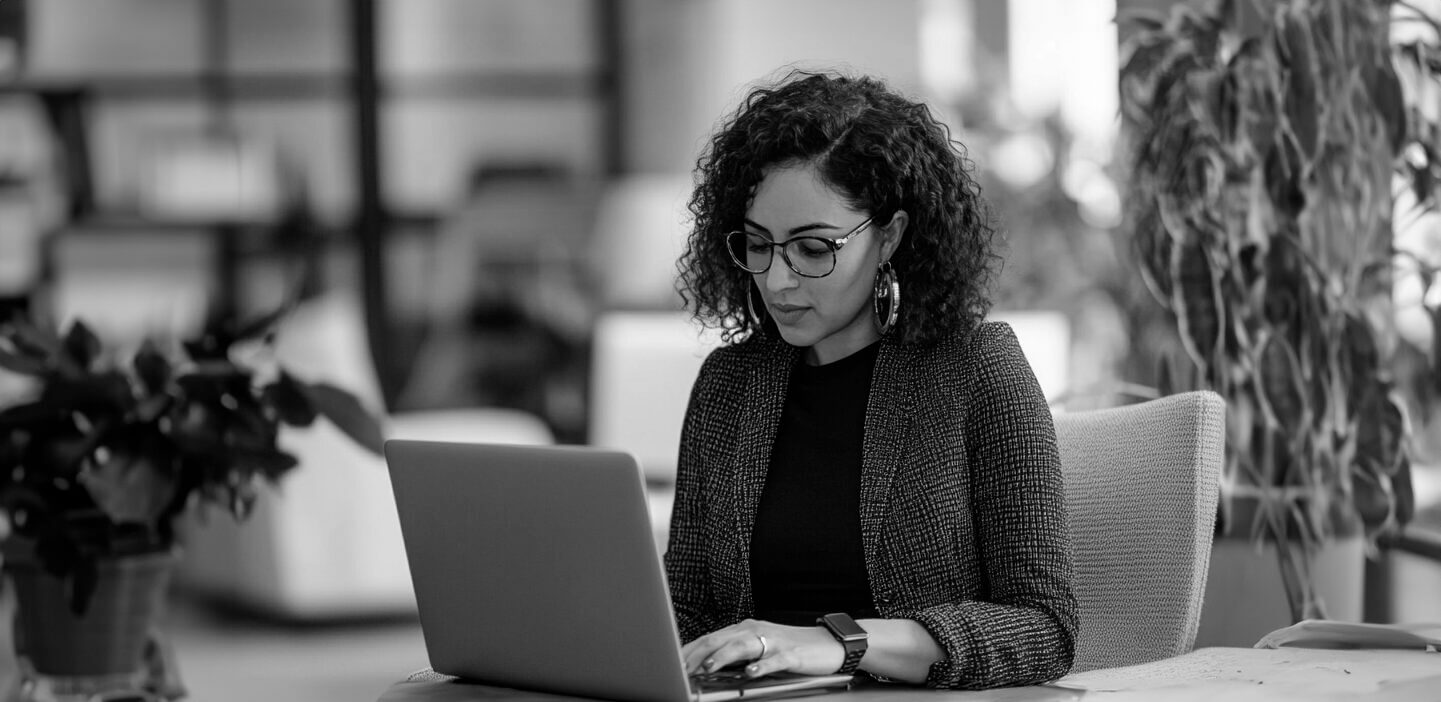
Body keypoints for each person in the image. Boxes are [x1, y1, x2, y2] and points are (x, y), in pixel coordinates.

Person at [667, 70, 1076, 690]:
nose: (777, 280)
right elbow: (686, 607)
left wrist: (836, 644)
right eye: (758, 244)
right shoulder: (729, 387)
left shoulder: (975, 370)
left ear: (889, 235)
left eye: (812, 249)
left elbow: (1044, 628)